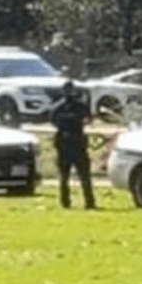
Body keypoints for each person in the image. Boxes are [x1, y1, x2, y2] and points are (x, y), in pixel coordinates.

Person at [50, 80, 95, 209]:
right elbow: (89, 119)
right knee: (72, 176)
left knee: (74, 175)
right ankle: (81, 202)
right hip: (72, 142)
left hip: (69, 142)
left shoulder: (58, 107)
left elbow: (53, 121)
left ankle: (74, 202)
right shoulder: (78, 106)